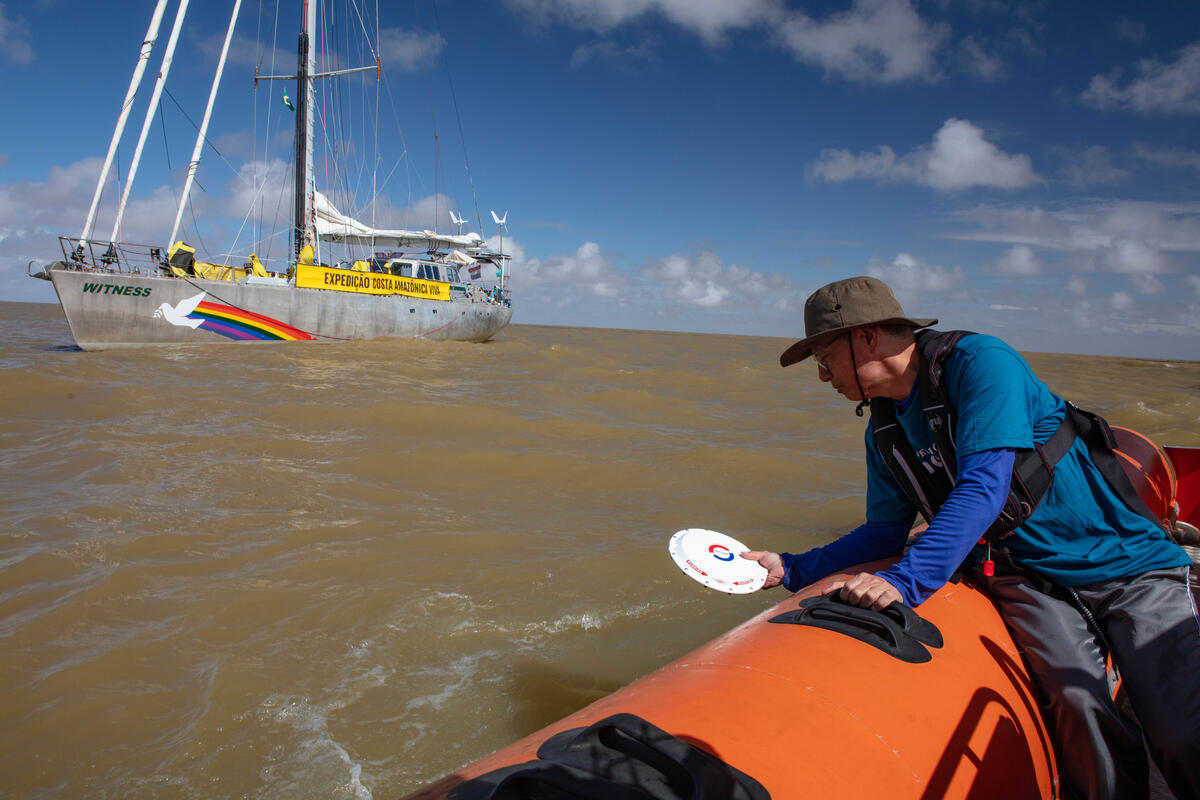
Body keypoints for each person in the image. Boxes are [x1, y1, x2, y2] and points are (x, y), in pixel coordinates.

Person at [741, 276, 1200, 800]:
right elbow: (882, 531)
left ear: (866, 337)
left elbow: (985, 485)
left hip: (1126, 561)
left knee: (1181, 733)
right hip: (1029, 577)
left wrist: (906, 582)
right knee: (1081, 715)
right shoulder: (883, 431)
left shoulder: (981, 362)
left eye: (825, 359)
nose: (823, 377)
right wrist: (791, 567)